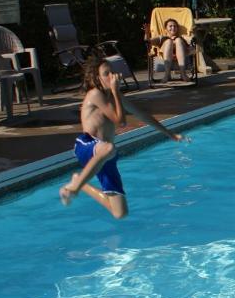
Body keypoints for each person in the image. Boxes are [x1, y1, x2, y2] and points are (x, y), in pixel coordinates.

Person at [59, 56, 186, 219]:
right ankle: (73, 190)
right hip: (87, 145)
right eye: (106, 73)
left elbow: (143, 115)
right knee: (109, 147)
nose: (112, 76)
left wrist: (170, 134)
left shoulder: (115, 96)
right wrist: (115, 91)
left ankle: (80, 182)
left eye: (112, 72)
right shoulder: (95, 94)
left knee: (120, 213)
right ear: (97, 78)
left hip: (105, 155)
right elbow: (121, 121)